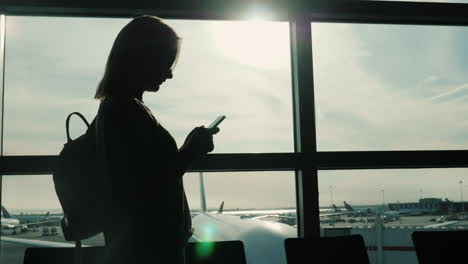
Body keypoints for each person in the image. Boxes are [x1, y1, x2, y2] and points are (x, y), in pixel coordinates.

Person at [94, 15, 218, 264]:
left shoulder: (118, 108)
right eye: (165, 63)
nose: (169, 75)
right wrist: (190, 151)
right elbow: (146, 186)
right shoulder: (124, 110)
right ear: (143, 60)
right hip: (149, 249)